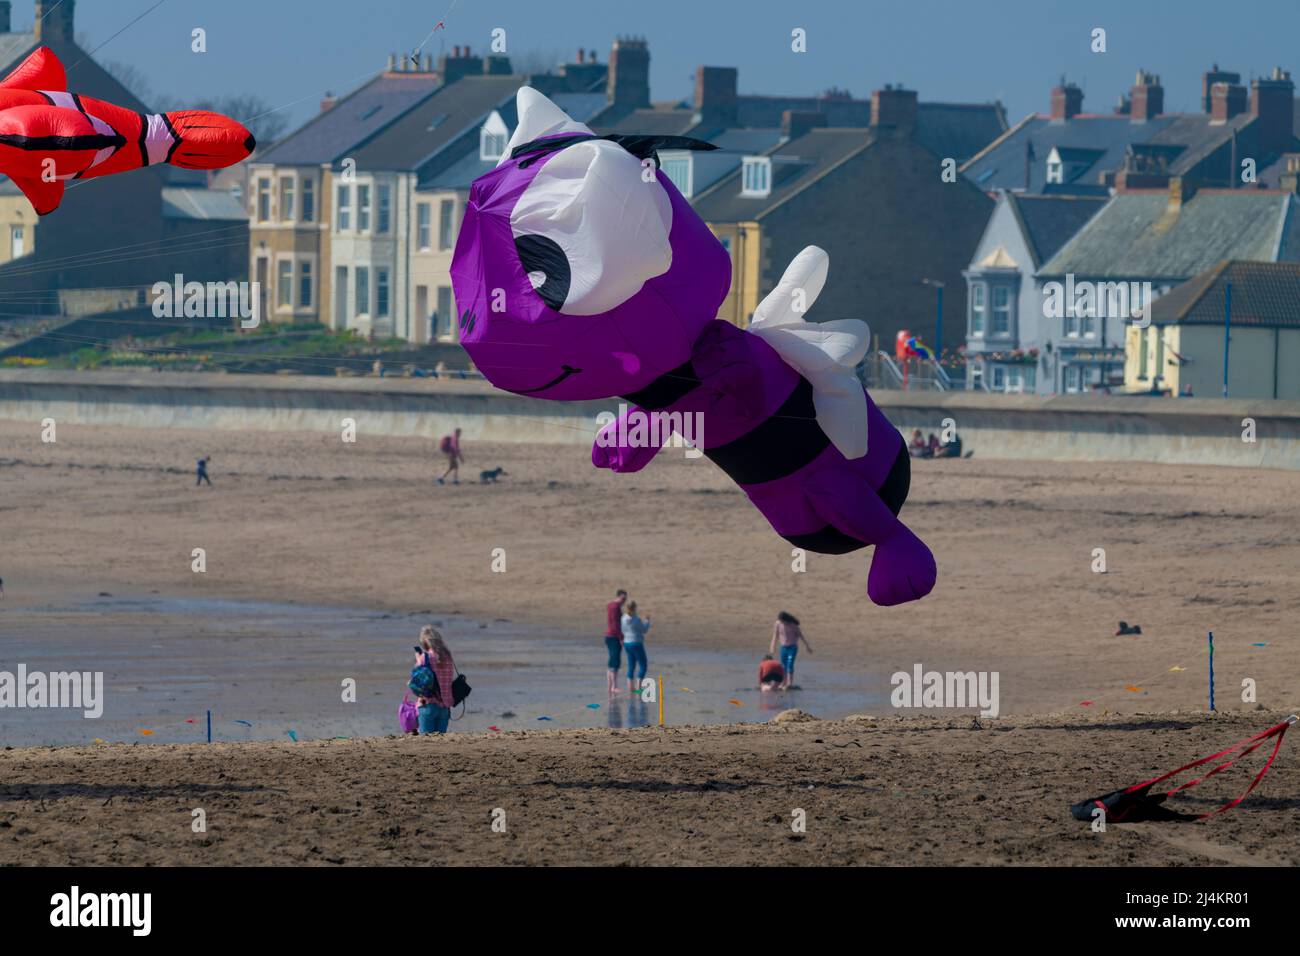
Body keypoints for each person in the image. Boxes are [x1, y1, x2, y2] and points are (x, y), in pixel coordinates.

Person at [415, 625, 456, 734]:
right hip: (445, 705)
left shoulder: (425, 657)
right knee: (440, 743)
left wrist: (418, 659)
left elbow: (416, 682)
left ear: (424, 642)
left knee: (426, 742)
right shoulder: (448, 657)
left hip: (427, 703)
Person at [770, 611, 812, 691]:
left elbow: (801, 636)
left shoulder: (793, 625)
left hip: (792, 648)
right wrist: (772, 646)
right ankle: (783, 682)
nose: (782, 623)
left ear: (786, 620)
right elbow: (775, 635)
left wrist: (807, 646)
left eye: (783, 621)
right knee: (783, 666)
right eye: (781, 621)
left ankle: (789, 683)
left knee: (790, 665)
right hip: (783, 648)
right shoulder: (778, 624)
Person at [621, 601, 650, 695]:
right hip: (636, 643)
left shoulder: (623, 618)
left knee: (631, 665)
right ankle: (639, 688)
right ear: (634, 608)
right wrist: (647, 621)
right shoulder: (636, 619)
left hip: (627, 643)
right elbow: (644, 630)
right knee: (643, 665)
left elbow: (622, 630)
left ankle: (630, 688)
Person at [604, 589, 628, 695]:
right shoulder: (615, 606)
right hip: (613, 636)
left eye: (625, 599)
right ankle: (614, 686)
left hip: (609, 635)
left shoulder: (611, 605)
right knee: (615, 661)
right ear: (618, 596)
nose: (624, 601)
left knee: (612, 661)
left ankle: (610, 686)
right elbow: (615, 624)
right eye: (623, 599)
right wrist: (621, 637)